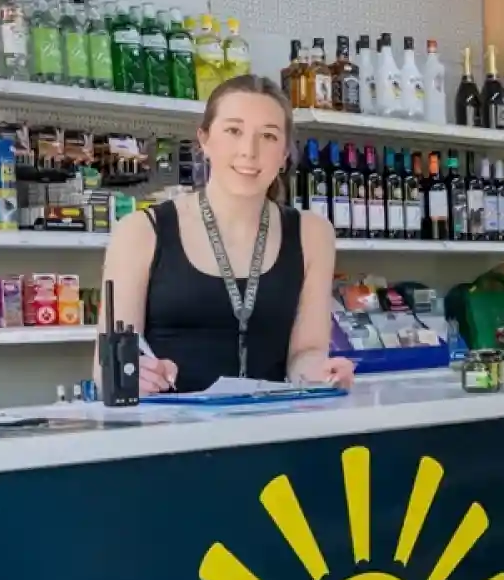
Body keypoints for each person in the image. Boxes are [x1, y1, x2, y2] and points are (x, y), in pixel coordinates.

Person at [101, 74, 355, 396]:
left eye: (268, 136)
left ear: (284, 155)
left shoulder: (313, 234)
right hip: (169, 432)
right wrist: (135, 376)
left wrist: (321, 374)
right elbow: (105, 365)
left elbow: (306, 352)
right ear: (204, 140)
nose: (249, 151)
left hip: (273, 430)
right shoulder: (140, 231)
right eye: (233, 131)